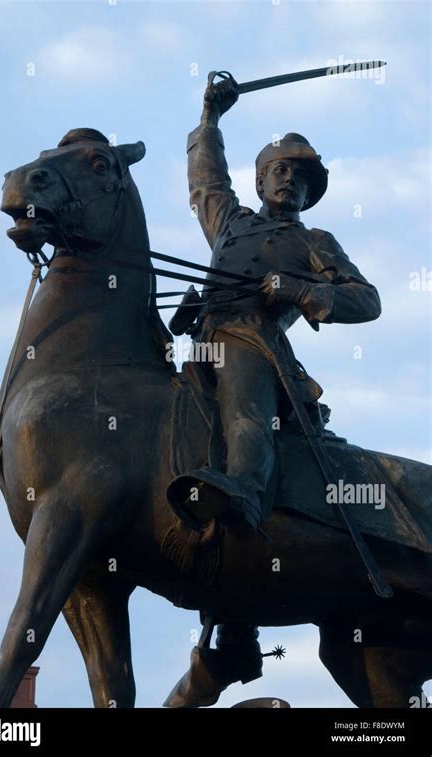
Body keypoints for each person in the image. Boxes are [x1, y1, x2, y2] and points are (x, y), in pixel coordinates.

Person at [164, 73, 382, 707]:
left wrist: (302, 293)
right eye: (279, 171)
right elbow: (205, 178)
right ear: (261, 182)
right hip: (197, 342)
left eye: (299, 177)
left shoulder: (314, 243)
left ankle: (246, 496)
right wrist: (209, 115)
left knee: (244, 405)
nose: (288, 180)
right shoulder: (228, 221)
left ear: (309, 194)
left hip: (254, 346)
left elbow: (365, 300)